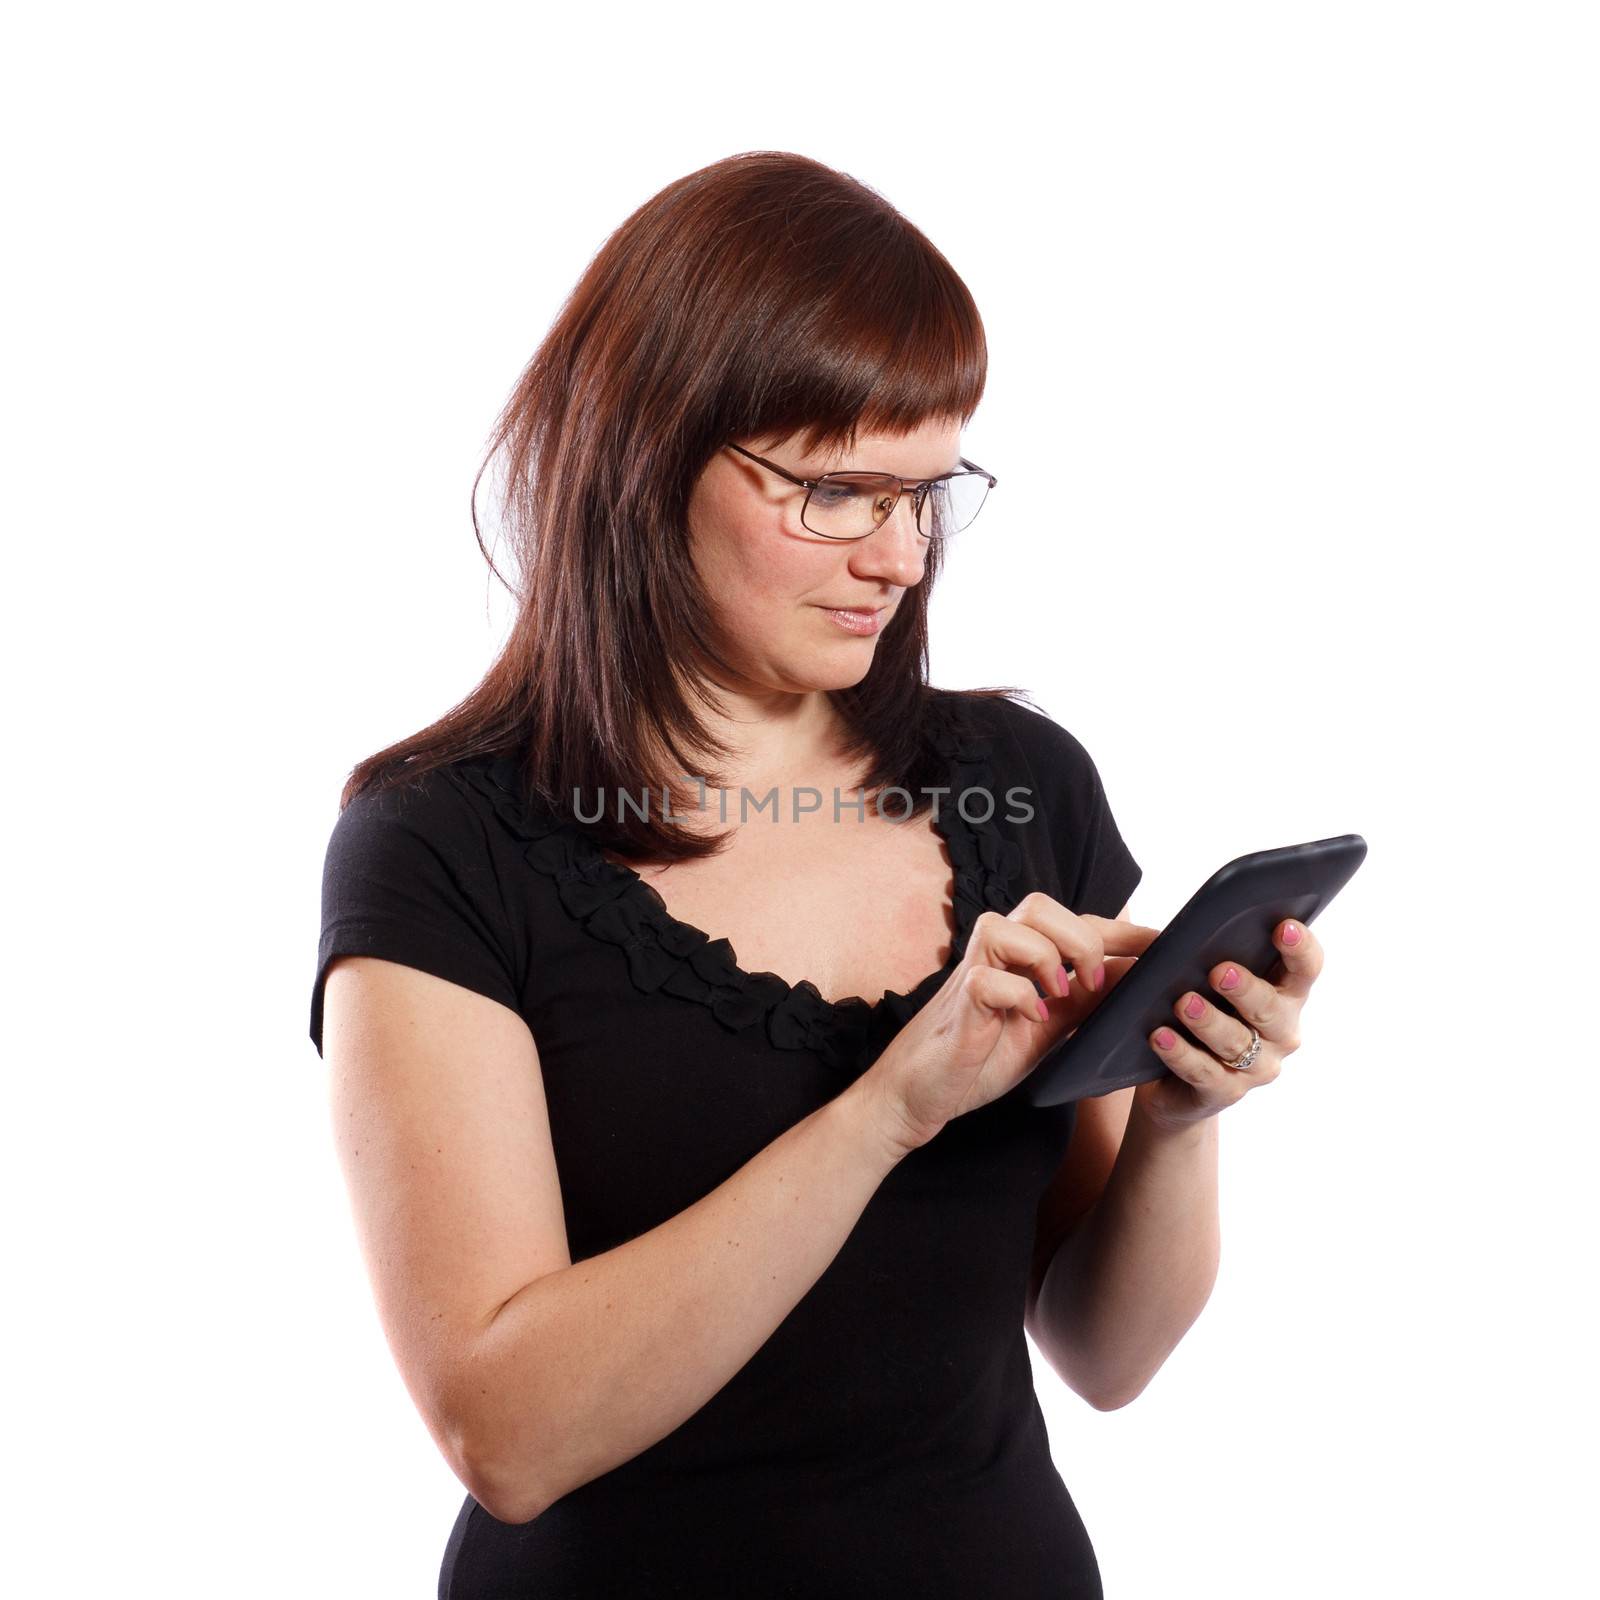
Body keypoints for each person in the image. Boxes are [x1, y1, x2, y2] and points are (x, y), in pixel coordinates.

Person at [308, 150, 1324, 1599]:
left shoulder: (1020, 788)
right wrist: (889, 1109)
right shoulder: (441, 847)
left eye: (928, 493)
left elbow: (1109, 1357)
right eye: (838, 493)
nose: (902, 556)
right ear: (646, 455)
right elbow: (508, 1434)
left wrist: (1176, 1118)